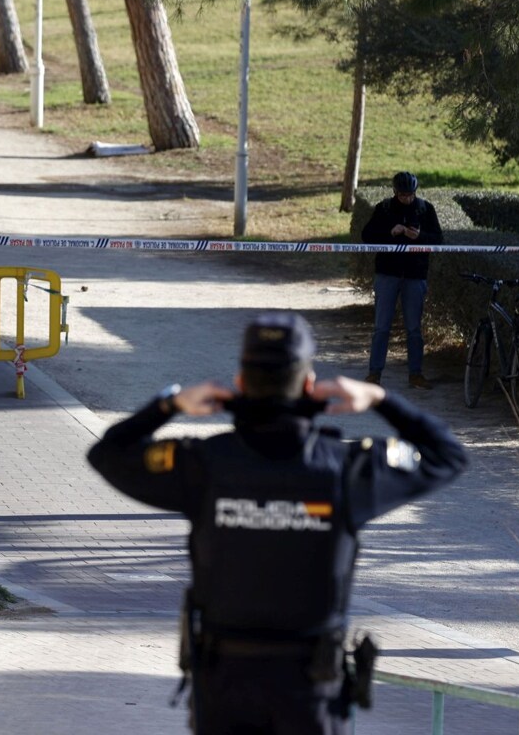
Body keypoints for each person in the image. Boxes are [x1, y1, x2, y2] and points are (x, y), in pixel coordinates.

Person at [86, 312, 468, 735]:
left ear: (241, 382)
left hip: (224, 686)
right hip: (310, 689)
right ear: (308, 384)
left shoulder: (203, 464)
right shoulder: (348, 469)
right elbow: (448, 455)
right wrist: (380, 399)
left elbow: (106, 454)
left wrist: (170, 403)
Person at [361, 171, 443, 389]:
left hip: (415, 276)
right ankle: (374, 373)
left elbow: (439, 239)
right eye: (403, 195)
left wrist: (420, 237)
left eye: (410, 194)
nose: (407, 198)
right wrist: (390, 232)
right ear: (394, 191)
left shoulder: (425, 209)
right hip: (387, 274)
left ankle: (416, 374)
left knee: (414, 328)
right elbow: (367, 236)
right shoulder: (384, 209)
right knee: (381, 327)